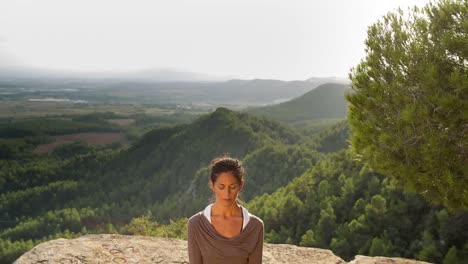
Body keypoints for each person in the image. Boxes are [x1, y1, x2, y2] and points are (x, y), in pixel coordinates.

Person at [187, 156, 264, 264]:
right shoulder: (196, 225)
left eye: (232, 187)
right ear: (212, 185)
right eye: (221, 187)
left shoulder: (255, 226)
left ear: (240, 186)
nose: (227, 194)